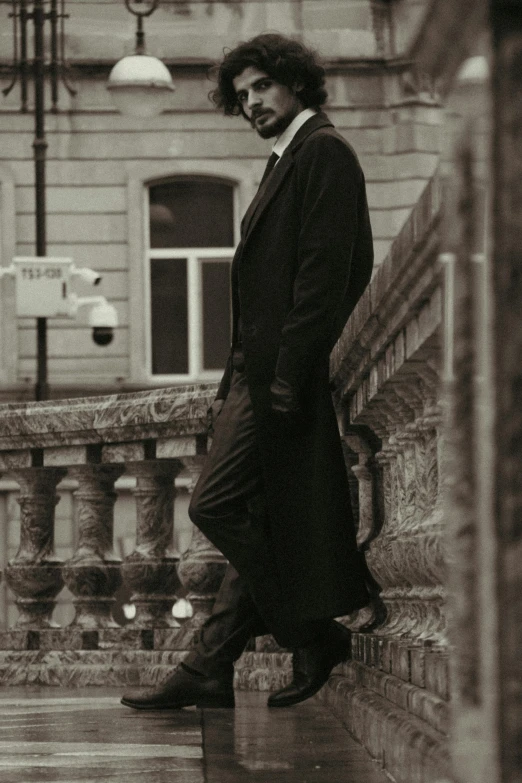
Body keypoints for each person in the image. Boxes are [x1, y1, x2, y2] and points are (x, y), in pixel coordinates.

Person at [121, 32, 374, 712]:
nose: (253, 102)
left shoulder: (322, 153)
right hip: (257, 378)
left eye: (262, 86)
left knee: (216, 505)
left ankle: (311, 633)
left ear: (295, 82)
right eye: (242, 95)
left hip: (281, 379)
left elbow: (327, 275)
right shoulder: (289, 157)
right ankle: (209, 663)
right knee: (256, 516)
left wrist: (289, 372)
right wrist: (237, 379)